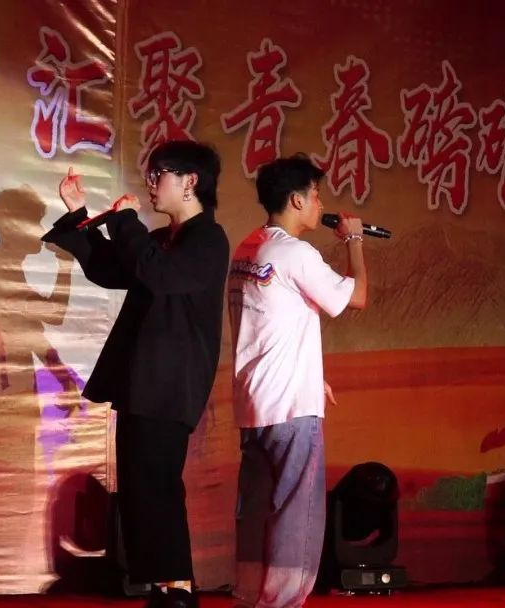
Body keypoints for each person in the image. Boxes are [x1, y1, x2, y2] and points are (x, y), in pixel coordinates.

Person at [42, 140, 229, 608]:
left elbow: (159, 274)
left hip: (171, 382)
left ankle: (178, 588)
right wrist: (80, 213)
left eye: (158, 174)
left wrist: (126, 220)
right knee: (139, 487)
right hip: (144, 380)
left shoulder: (208, 238)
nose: (150, 183)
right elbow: (111, 269)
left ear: (190, 182)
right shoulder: (165, 240)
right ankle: (164, 586)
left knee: (157, 482)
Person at [226, 154, 368, 608]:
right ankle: (283, 603)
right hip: (291, 405)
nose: (321, 204)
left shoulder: (247, 248)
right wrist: (355, 241)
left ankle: (248, 596)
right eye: (316, 195)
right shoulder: (295, 253)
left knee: (255, 509)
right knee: (295, 510)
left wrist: (313, 375)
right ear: (296, 200)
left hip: (254, 403)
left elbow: (269, 323)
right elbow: (356, 297)